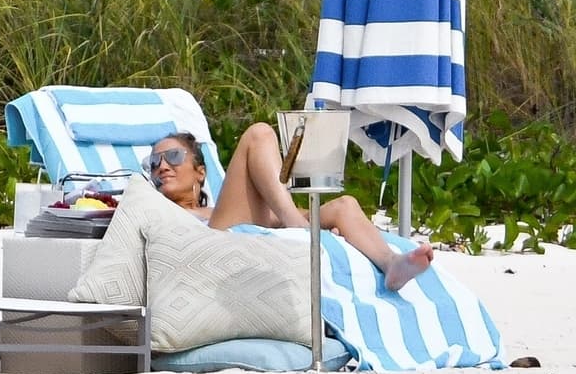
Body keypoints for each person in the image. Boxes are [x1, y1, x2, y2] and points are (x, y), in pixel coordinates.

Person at [147, 123, 434, 292]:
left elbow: (267, 217)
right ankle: (300, 230)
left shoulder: (225, 207)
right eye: (154, 162)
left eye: (172, 156)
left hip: (238, 229)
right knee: (259, 134)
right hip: (213, 244)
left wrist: (319, 220)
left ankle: (391, 263)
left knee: (344, 205)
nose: (162, 166)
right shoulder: (151, 206)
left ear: (200, 172)